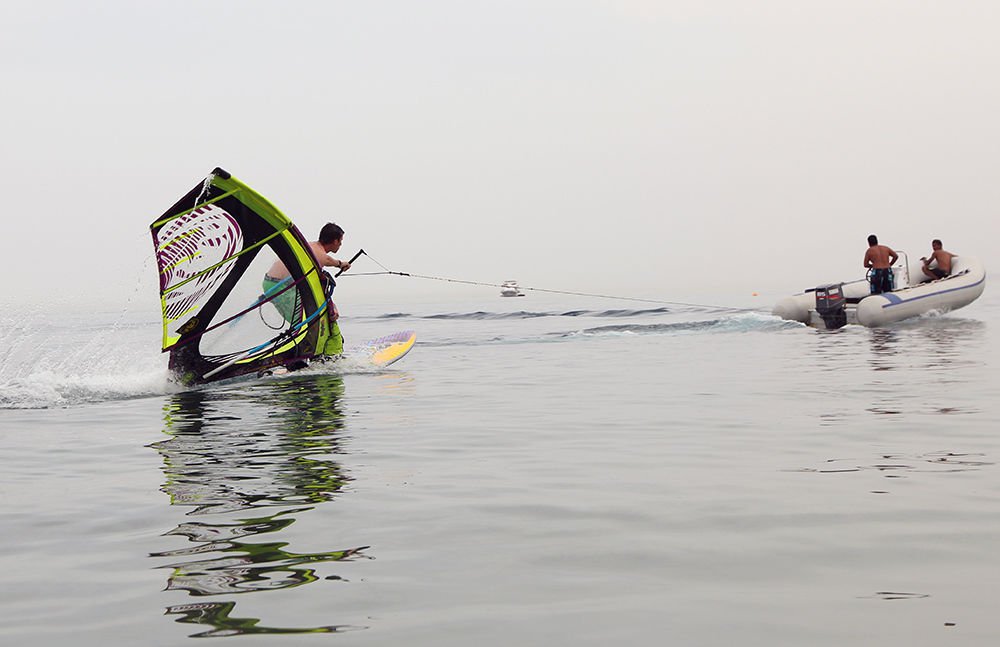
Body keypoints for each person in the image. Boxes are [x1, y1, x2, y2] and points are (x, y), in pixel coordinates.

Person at [261, 223, 351, 355]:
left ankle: (300, 352)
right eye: (340, 241)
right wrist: (341, 264)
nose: (341, 244)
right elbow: (327, 260)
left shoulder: (312, 247)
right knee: (304, 323)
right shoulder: (320, 255)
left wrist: (340, 264)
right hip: (278, 286)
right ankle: (295, 354)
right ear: (335, 241)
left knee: (304, 320)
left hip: (275, 284)